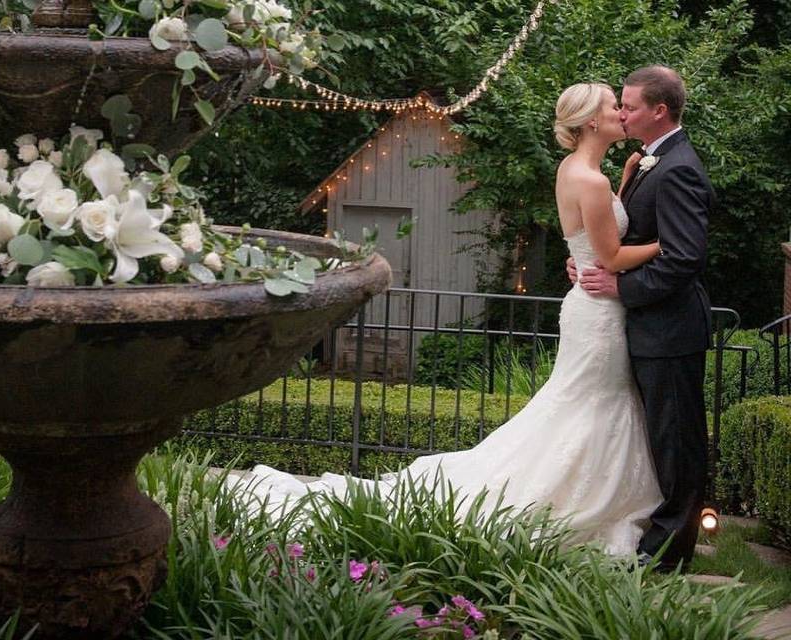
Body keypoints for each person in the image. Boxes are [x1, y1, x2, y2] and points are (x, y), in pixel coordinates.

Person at [231, 82, 665, 557]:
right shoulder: (593, 180)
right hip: (598, 311)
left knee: (579, 405)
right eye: (612, 105)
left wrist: (625, 181)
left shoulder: (579, 171)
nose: (622, 112)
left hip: (589, 304)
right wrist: (672, 246)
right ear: (590, 121)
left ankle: (595, 492)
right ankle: (577, 498)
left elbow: (597, 235)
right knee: (591, 406)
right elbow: (612, 253)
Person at [573, 65, 714, 570]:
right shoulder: (651, 160)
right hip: (647, 327)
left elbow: (683, 257)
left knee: (677, 442)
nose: (621, 113)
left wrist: (620, 287)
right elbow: (626, 240)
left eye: (629, 106)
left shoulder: (677, 168)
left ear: (659, 111)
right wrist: (589, 260)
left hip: (671, 329)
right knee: (657, 435)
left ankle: (668, 554)